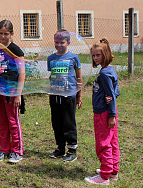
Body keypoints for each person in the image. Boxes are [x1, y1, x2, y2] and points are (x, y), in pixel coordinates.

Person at [0, 20, 26, 163]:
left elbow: (22, 73)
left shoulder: (16, 51)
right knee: (1, 121)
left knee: (12, 121)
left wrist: (18, 95)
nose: (3, 37)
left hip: (12, 92)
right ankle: (4, 150)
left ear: (12, 34)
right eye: (1, 33)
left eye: (6, 34)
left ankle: (17, 151)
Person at [84, 38, 120, 186]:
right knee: (112, 141)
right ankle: (113, 171)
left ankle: (104, 177)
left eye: (98, 55)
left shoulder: (104, 73)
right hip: (109, 112)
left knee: (103, 143)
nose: (95, 58)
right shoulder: (109, 70)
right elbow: (116, 91)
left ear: (105, 54)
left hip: (104, 114)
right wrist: (111, 100)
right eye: (93, 55)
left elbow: (112, 93)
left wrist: (111, 115)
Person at [47, 29, 83, 162]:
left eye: (62, 42)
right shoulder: (51, 58)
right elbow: (51, 76)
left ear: (68, 42)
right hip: (55, 95)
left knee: (69, 122)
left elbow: (79, 78)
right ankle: (60, 148)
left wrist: (78, 95)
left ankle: (72, 149)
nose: (59, 45)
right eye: (56, 42)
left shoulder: (74, 57)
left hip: (69, 96)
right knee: (56, 122)